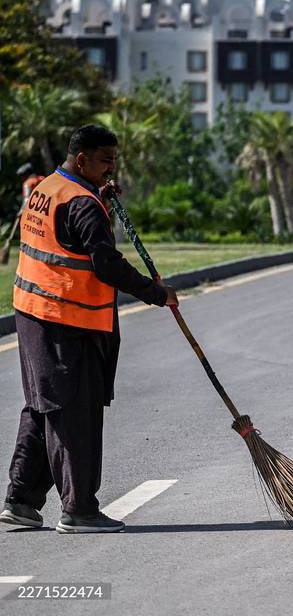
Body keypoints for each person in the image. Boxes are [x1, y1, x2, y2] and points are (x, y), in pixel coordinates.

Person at [1, 124, 177, 534]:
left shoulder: (48, 187)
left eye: (114, 161)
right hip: (67, 321)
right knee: (73, 411)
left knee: (44, 405)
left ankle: (22, 501)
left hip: (32, 312)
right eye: (105, 161)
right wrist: (157, 292)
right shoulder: (82, 204)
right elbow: (105, 263)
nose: (111, 170)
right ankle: (79, 510)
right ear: (82, 160)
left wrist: (102, 204)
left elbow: (69, 244)